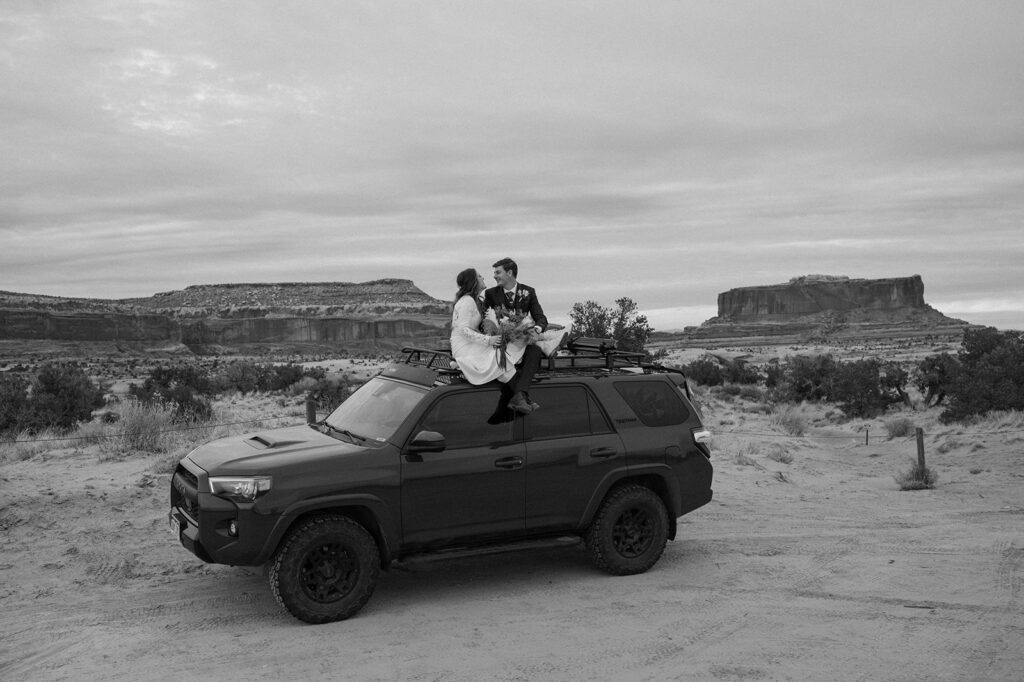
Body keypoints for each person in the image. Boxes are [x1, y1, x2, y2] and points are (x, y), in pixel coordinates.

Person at [483, 257, 567, 414]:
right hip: (501, 342)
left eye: (498, 272)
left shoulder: (528, 291)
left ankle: (520, 395)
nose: (494, 276)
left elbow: (541, 318)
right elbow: (485, 318)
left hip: (520, 341)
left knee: (534, 351)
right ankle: (521, 397)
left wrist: (536, 330)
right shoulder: (490, 294)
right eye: (494, 273)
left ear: (510, 273)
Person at [449, 268, 526, 392]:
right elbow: (463, 330)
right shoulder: (466, 301)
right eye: (479, 276)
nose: (483, 278)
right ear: (473, 282)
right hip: (464, 346)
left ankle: (518, 397)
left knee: (502, 355)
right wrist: (488, 340)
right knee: (500, 356)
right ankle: (519, 396)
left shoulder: (475, 300)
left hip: (471, 343)